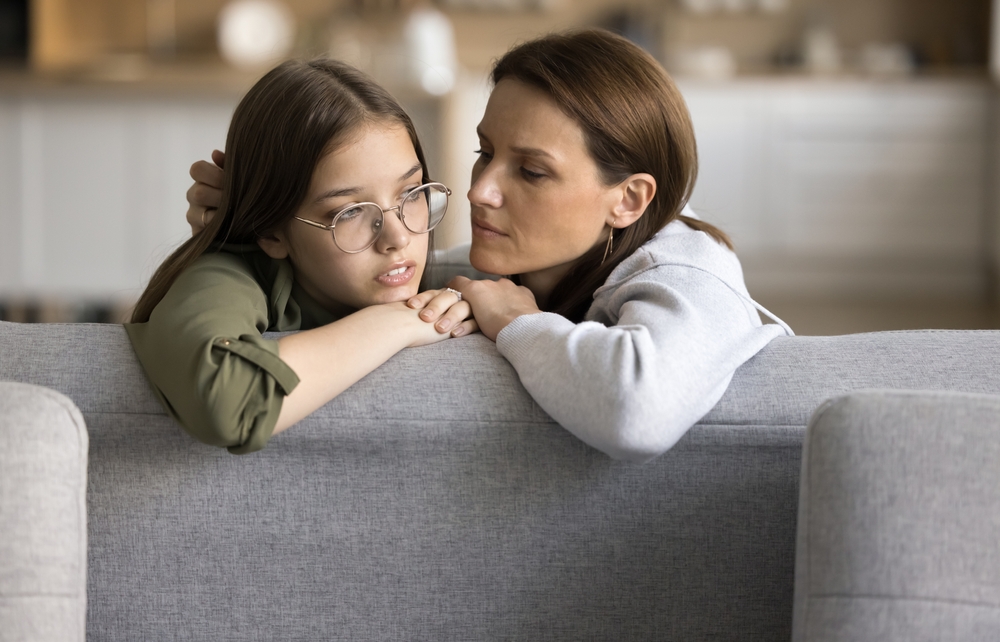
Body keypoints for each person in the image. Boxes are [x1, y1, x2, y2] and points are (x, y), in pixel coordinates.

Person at [186, 30, 792, 463]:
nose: (480, 190)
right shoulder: (530, 262)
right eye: (485, 152)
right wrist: (251, 226)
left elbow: (638, 412)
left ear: (629, 201)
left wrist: (517, 324)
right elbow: (355, 292)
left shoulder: (688, 269)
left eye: (530, 172)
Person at [127, 58, 477, 454]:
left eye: (410, 193)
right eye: (350, 212)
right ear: (271, 233)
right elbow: (229, 403)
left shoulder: (471, 285)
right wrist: (396, 323)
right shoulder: (229, 275)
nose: (397, 237)